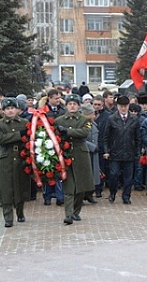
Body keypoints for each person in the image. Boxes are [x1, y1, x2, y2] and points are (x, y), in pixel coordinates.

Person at [55, 94, 95, 225]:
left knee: (81, 186)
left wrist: (67, 131)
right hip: (65, 155)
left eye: (75, 104)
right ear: (66, 106)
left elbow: (84, 132)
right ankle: (68, 214)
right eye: (70, 104)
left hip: (80, 154)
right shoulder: (59, 120)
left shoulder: (85, 119)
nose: (72, 106)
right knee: (69, 186)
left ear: (79, 106)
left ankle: (76, 211)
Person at [0, 98, 30, 227]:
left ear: (17, 110)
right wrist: (19, 135)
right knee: (6, 188)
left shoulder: (25, 122)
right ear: (3, 111)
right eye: (7, 109)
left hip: (21, 156)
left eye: (12, 108)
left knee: (20, 186)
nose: (10, 111)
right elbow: (0, 139)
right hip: (6, 158)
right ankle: (8, 217)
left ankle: (20, 212)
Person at [104, 95, 141, 204]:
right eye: (121, 106)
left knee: (128, 177)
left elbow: (138, 138)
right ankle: (113, 192)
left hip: (130, 152)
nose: (123, 108)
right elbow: (106, 137)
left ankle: (126, 196)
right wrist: (107, 151)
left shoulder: (134, 119)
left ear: (128, 106)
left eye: (125, 106)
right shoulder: (111, 119)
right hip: (115, 152)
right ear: (117, 106)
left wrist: (138, 152)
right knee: (114, 174)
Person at [80, 103, 99, 204]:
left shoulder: (93, 124)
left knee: (93, 175)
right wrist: (92, 147)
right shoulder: (82, 124)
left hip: (93, 153)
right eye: (92, 114)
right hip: (85, 152)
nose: (94, 116)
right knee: (85, 176)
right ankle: (82, 195)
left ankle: (89, 194)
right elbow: (81, 138)